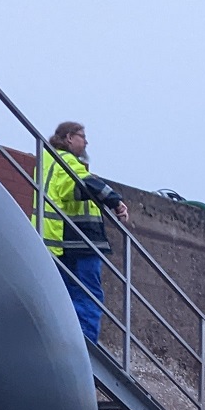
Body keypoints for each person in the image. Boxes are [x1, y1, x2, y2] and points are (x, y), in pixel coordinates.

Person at [42, 122, 131, 342]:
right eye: (82, 136)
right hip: (79, 241)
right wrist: (115, 201)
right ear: (69, 137)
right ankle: (86, 342)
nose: (86, 142)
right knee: (87, 294)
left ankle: (67, 338)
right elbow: (82, 185)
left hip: (59, 239)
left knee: (65, 296)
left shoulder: (48, 161)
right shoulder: (66, 161)